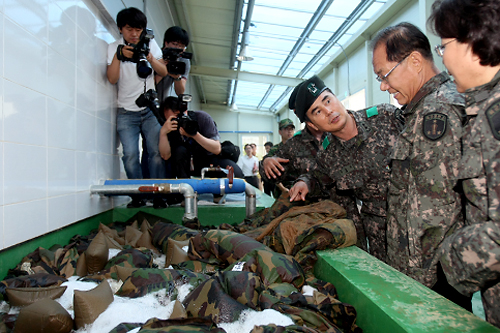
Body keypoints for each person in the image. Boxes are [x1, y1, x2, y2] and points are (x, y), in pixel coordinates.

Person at [371, 22, 469, 309]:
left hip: (433, 280)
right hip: (420, 274)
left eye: (384, 75)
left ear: (414, 61)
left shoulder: (437, 111)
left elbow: (432, 211)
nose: (382, 86)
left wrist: (419, 279)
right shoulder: (419, 112)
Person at [429, 0, 500, 326]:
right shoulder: (483, 108)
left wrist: (451, 259)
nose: (442, 58)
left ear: (472, 43)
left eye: (443, 47)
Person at [288, 75, 403, 260]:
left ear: (336, 98)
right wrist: (304, 182)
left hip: (422, 227)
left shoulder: (386, 117)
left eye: (327, 101)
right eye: (317, 112)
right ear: (312, 124)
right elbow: (318, 178)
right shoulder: (328, 155)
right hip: (381, 241)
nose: (328, 111)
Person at [107, 7, 167, 207]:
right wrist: (118, 55)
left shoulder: (150, 44)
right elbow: (112, 78)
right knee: (130, 154)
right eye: (129, 29)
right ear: (120, 29)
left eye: (138, 29)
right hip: (125, 112)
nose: (134, 34)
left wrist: (149, 57)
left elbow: (163, 71)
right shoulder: (113, 47)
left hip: (150, 109)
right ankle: (138, 196)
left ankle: (158, 196)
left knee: (155, 153)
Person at [158, 96, 244, 181]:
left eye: (177, 117)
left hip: (207, 160)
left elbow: (217, 148)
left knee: (235, 173)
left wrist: (194, 134)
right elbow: (165, 156)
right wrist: (163, 133)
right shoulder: (169, 128)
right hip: (184, 166)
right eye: (170, 120)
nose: (175, 121)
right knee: (179, 151)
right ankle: (184, 190)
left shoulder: (201, 118)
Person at [156, 26, 191, 103]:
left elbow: (180, 92)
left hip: (160, 103)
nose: (178, 48)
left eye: (181, 46)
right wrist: (162, 70)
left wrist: (177, 77)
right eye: (175, 44)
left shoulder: (183, 61)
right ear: (166, 43)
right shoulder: (155, 55)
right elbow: (147, 84)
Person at [267, 119, 295, 197]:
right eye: (286, 129)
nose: (289, 131)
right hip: (281, 189)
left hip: (298, 187)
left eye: (291, 129)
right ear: (280, 132)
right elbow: (272, 172)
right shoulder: (275, 150)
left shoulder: (300, 148)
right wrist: (283, 189)